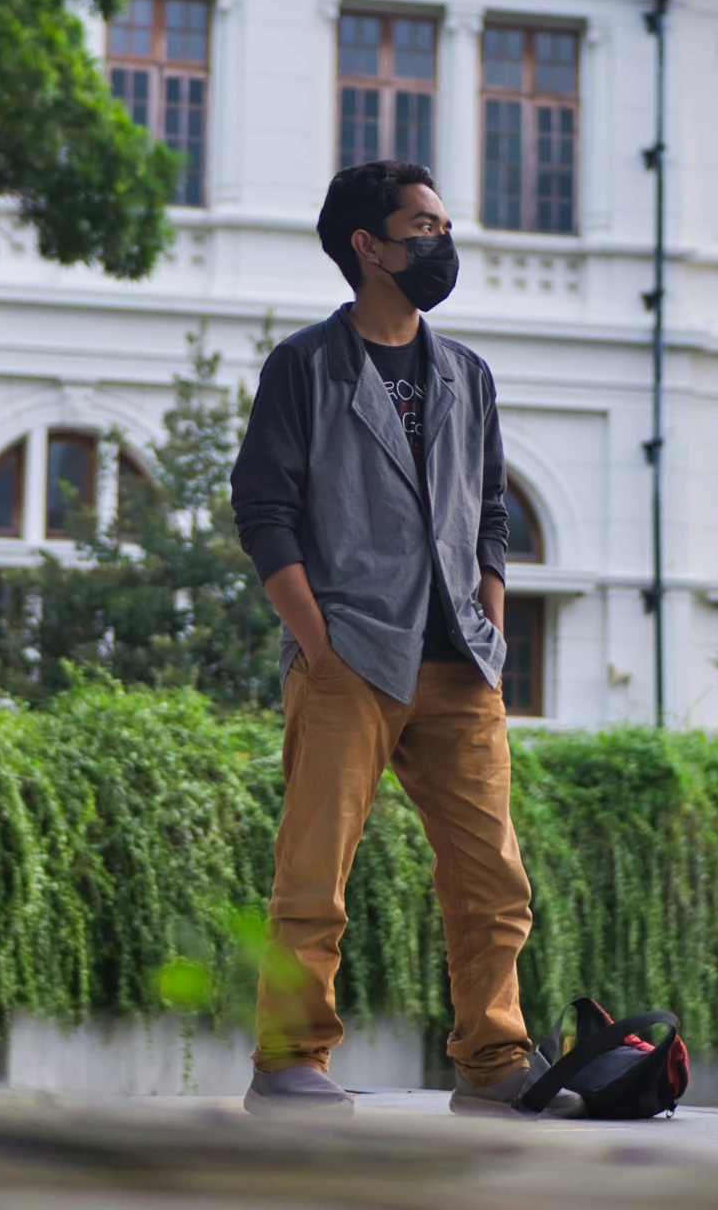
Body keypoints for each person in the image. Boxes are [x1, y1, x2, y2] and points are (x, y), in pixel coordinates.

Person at [230, 159, 574, 1118]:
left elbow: (491, 511)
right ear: (367, 246)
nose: (441, 238)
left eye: (445, 221)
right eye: (422, 224)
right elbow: (264, 511)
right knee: (313, 874)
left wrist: (492, 617)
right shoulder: (306, 366)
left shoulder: (467, 374)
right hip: (352, 659)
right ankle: (289, 1057)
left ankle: (495, 1060)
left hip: (461, 663)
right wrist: (318, 639)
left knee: (494, 879)